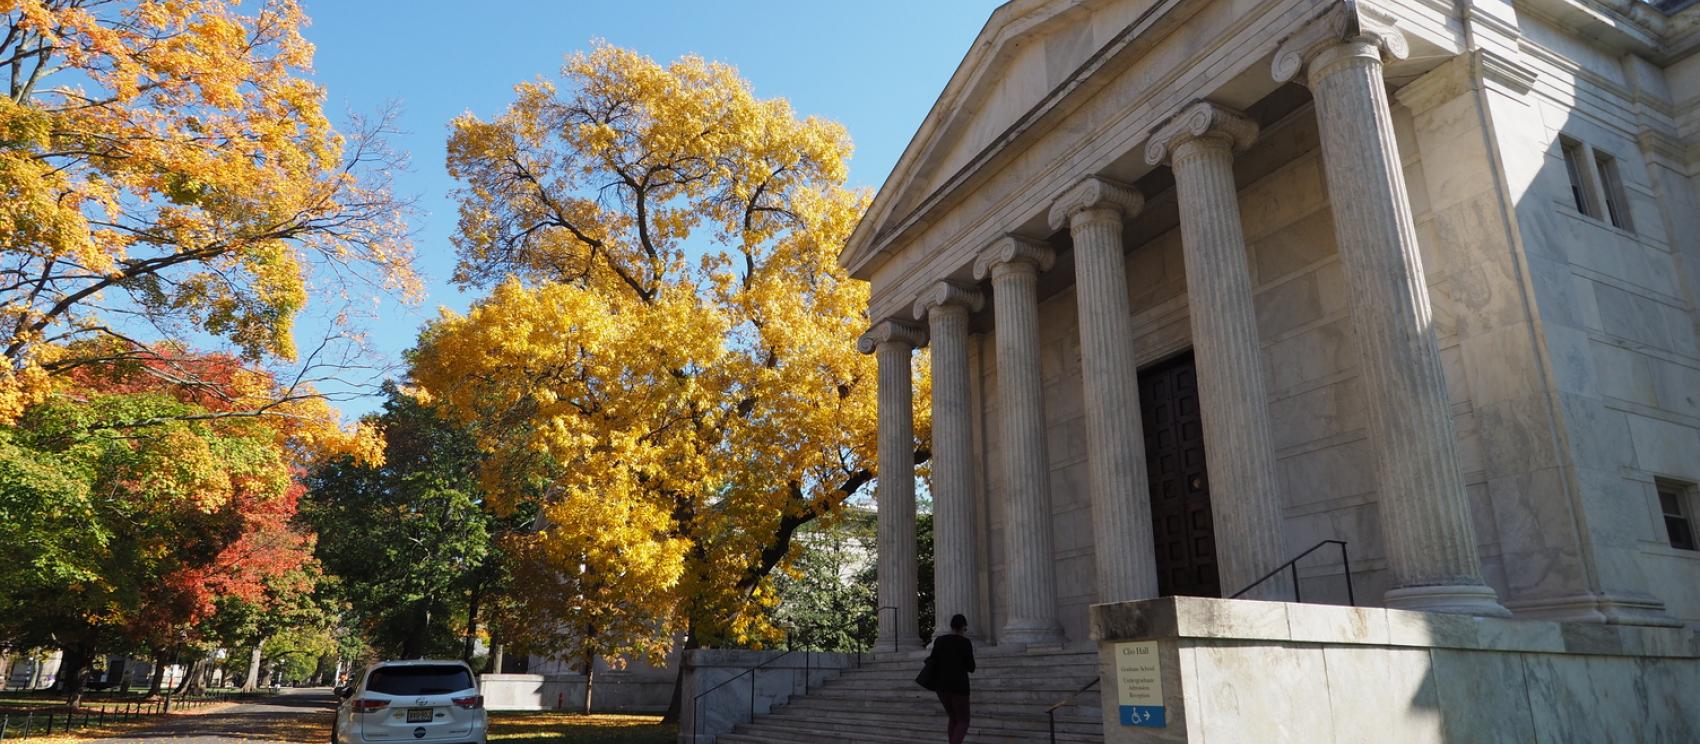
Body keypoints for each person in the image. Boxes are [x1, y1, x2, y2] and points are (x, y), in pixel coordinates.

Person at [927, 614, 975, 744]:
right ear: (963, 627)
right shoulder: (965, 642)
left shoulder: (939, 640)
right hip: (959, 687)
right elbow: (971, 667)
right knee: (963, 720)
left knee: (953, 717)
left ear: (951, 626)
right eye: (965, 629)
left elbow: (932, 660)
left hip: (941, 687)